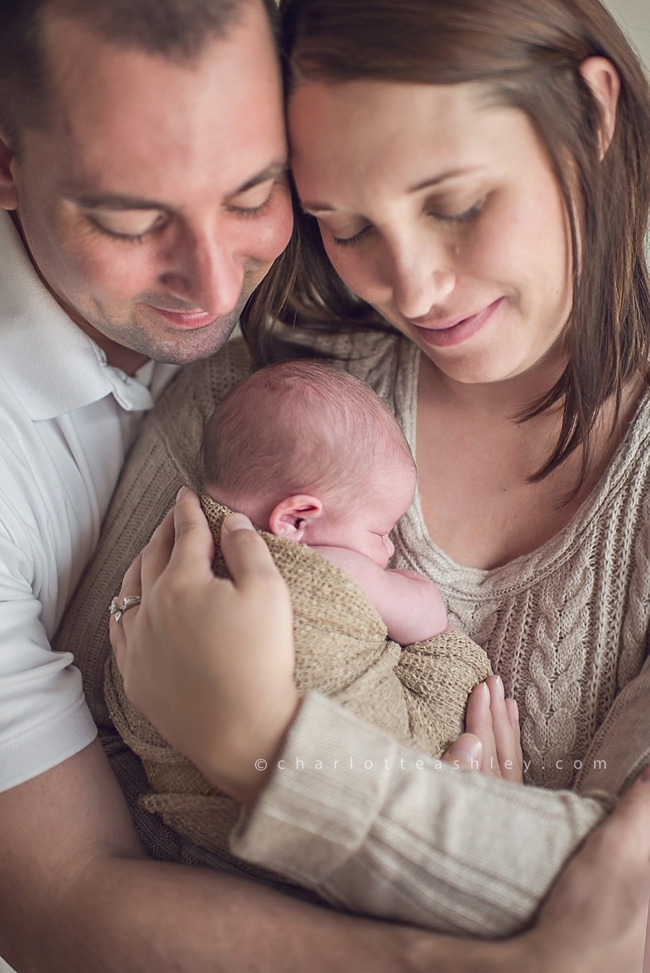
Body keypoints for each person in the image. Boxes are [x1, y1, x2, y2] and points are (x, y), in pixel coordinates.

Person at [0, 0, 635, 971]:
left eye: (457, 205)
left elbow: (625, 918)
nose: (413, 287)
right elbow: (82, 874)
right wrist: (476, 843)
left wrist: (258, 748)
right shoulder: (274, 389)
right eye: (341, 225)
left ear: (592, 115)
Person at [202, 359, 450, 643]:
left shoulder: (193, 540)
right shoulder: (326, 569)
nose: (391, 548)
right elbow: (427, 619)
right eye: (379, 533)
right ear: (296, 520)